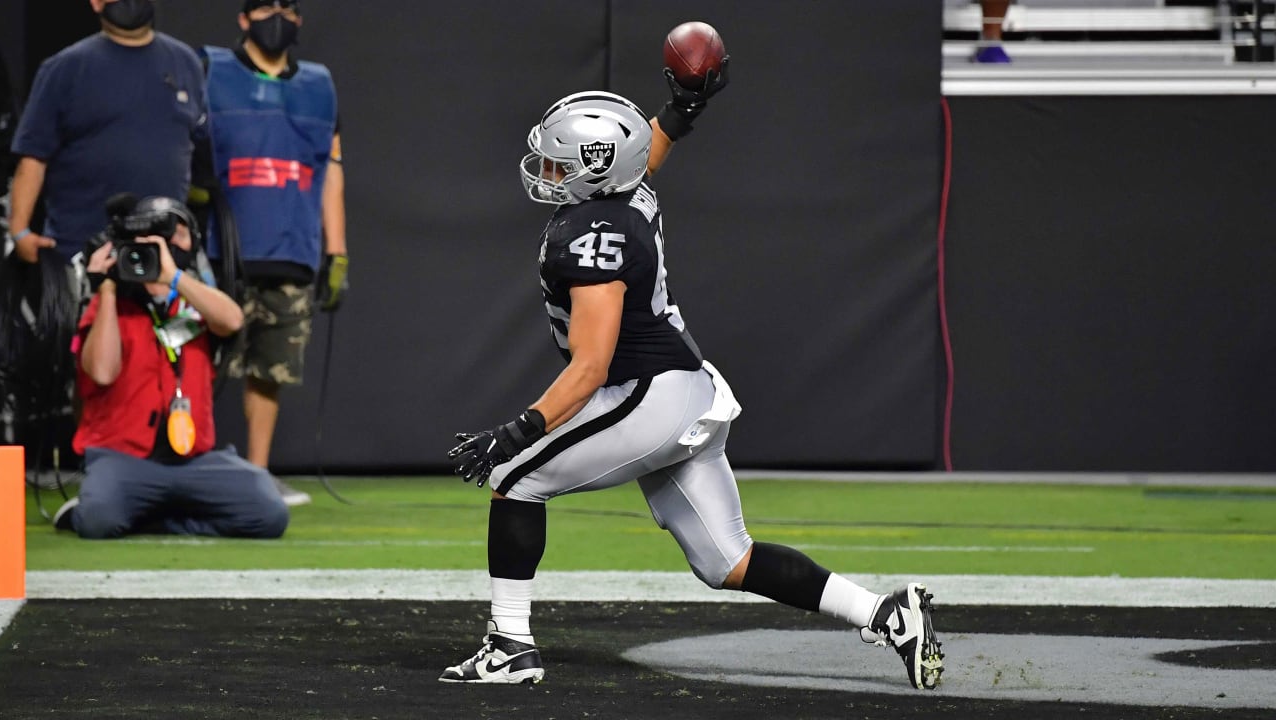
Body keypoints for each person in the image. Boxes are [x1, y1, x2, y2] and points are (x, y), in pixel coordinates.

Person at [440, 65, 945, 690]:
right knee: (726, 561)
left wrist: (519, 430)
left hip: (646, 394)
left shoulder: (591, 231)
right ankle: (888, 614)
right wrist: (683, 109)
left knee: (514, 479)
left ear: (595, 169)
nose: (546, 173)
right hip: (685, 390)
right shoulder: (630, 192)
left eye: (559, 163)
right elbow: (644, 152)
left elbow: (591, 365)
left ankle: (509, 646)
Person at [53, 196, 289, 539]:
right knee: (97, 520)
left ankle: (155, 518)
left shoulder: (193, 301)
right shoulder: (112, 306)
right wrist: (106, 287)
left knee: (269, 514)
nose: (173, 245)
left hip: (193, 460)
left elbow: (233, 319)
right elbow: (102, 371)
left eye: (180, 236)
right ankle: (130, 507)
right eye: (165, 237)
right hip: (125, 459)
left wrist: (173, 276)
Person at [197, 0, 348, 506]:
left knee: (270, 370)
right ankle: (189, 470)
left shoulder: (319, 86)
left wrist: (337, 251)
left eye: (287, 7)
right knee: (199, 364)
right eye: (265, 6)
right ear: (243, 18)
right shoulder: (209, 70)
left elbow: (331, 170)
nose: (277, 16)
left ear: (301, 19)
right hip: (221, 253)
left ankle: (256, 475)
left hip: (292, 251)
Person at [8, 0, 206, 270]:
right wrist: (19, 230)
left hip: (165, 253)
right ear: (96, 3)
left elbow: (198, 148)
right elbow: (33, 156)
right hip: (79, 251)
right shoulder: (65, 67)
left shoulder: (186, 63)